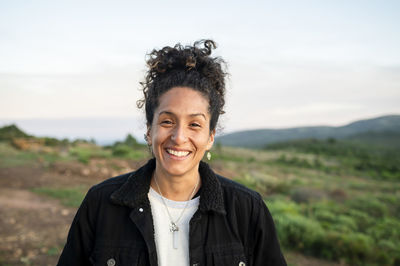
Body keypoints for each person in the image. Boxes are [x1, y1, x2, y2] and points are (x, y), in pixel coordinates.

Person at [57, 40, 287, 266]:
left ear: (210, 137)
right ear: (149, 130)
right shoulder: (101, 203)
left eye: (195, 125)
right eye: (167, 121)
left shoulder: (246, 209)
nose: (178, 137)